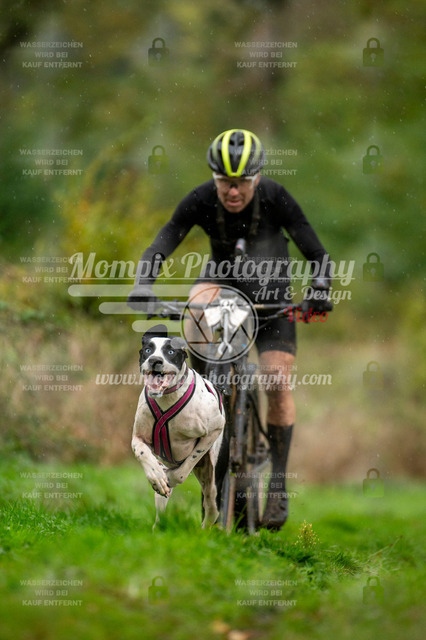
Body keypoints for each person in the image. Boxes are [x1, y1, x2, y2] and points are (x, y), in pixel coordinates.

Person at [128, 129, 332, 530]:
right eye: (224, 181)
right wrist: (143, 282)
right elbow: (166, 238)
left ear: (257, 178)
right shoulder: (202, 198)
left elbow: (316, 251)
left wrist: (320, 287)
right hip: (220, 283)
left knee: (275, 379)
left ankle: (277, 485)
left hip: (272, 294)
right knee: (196, 313)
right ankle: (207, 400)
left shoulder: (275, 197)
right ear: (215, 178)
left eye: (241, 182)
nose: (232, 191)